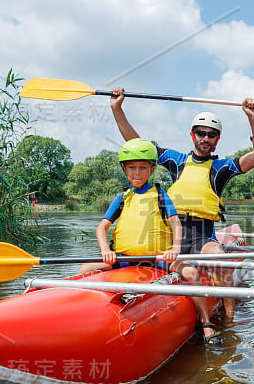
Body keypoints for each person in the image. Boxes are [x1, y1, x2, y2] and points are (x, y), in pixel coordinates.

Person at [110, 88, 254, 330]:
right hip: (171, 235)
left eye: (211, 134)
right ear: (192, 135)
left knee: (218, 257)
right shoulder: (176, 159)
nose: (206, 138)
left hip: (202, 235)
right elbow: (138, 146)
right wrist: (117, 109)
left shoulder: (223, 167)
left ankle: (229, 319)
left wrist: (253, 119)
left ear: (217, 139)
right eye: (201, 133)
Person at [78, 138, 222, 346]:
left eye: (143, 168)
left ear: (152, 169)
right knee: (86, 267)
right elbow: (101, 228)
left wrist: (174, 248)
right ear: (125, 170)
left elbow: (176, 224)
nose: (137, 173)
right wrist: (104, 251)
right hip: (124, 259)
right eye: (132, 168)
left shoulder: (161, 195)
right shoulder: (121, 198)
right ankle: (87, 314)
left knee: (190, 272)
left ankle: (205, 323)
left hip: (159, 258)